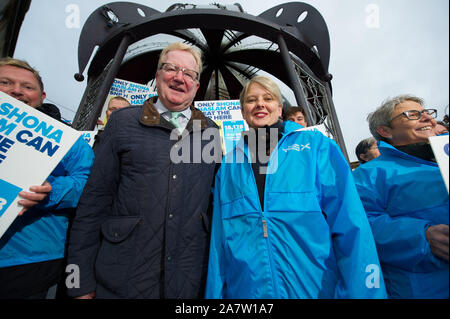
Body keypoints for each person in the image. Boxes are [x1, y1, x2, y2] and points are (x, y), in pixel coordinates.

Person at [205, 75, 386, 299]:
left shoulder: (318, 147)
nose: (260, 104)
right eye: (251, 100)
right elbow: (218, 243)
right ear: (243, 112)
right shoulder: (229, 166)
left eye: (268, 98)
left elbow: (352, 226)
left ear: (279, 109)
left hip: (314, 289)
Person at [66, 42, 221, 299]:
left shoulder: (210, 132)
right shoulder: (122, 122)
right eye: (171, 68)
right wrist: (78, 283)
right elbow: (94, 202)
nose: (179, 78)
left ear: (196, 84)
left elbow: (214, 203)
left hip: (187, 282)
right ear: (158, 75)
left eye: (189, 74)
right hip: (122, 277)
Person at [0, 57, 95, 299]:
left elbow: (90, 182)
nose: (16, 91)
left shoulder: (67, 139)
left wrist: (52, 190)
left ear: (42, 96)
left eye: (27, 87)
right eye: (5, 82)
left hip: (29, 259)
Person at [352, 94, 449, 299]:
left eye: (427, 113)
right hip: (425, 287)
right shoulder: (368, 175)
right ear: (385, 131)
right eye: (413, 115)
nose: (427, 119)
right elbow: (362, 225)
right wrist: (421, 236)